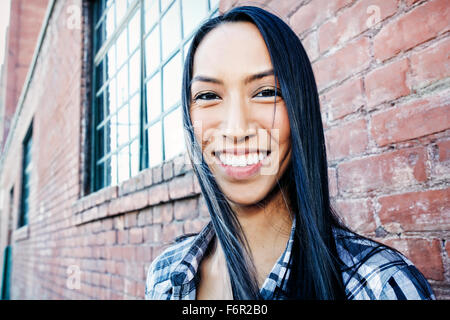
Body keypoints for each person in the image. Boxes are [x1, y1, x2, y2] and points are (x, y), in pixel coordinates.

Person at [145, 6, 435, 300]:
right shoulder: (163, 276)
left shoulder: (382, 286)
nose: (236, 129)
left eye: (266, 92)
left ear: (300, 107)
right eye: (208, 96)